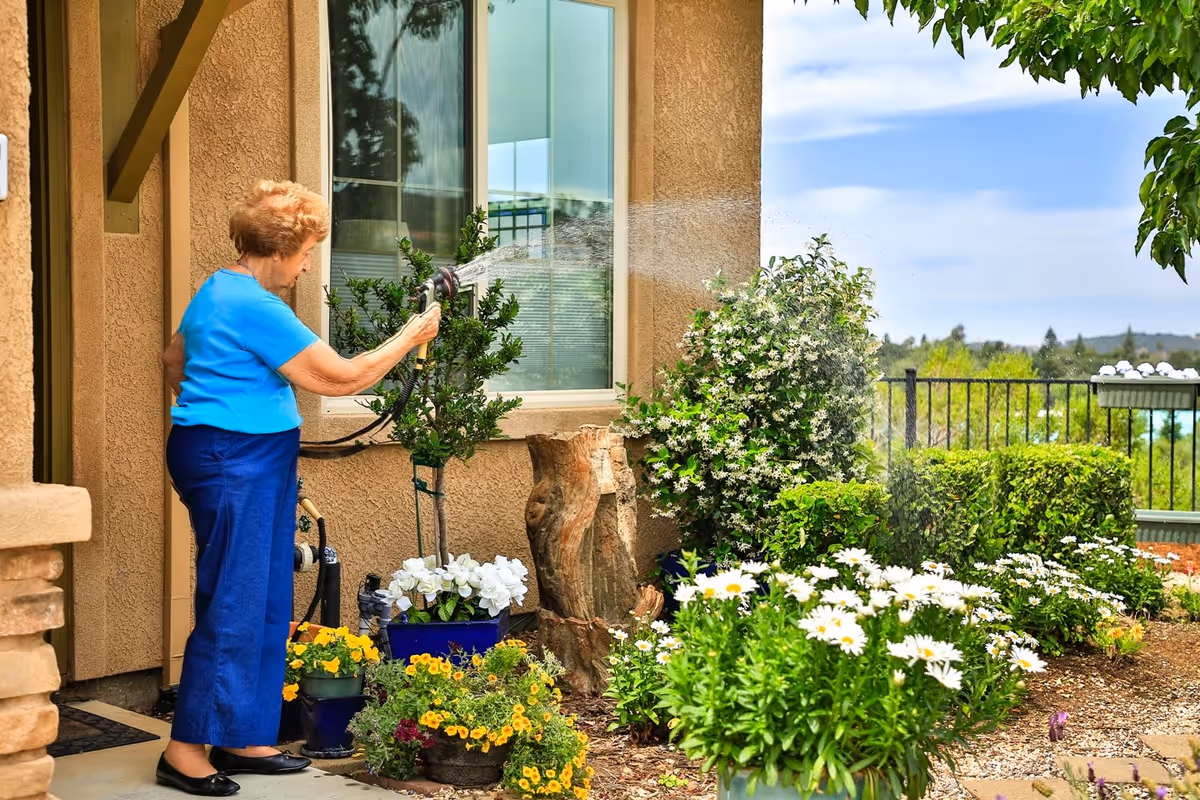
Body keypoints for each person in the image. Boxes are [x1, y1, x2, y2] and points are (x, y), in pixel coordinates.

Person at [157, 179, 441, 796]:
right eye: (308, 249)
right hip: (235, 459)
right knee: (234, 601)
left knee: (262, 598)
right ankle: (184, 749)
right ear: (281, 249)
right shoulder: (255, 306)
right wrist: (410, 337)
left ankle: (241, 737)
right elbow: (338, 378)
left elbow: (173, 360)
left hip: (239, 453)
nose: (310, 262)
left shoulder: (218, 290)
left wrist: (212, 405)